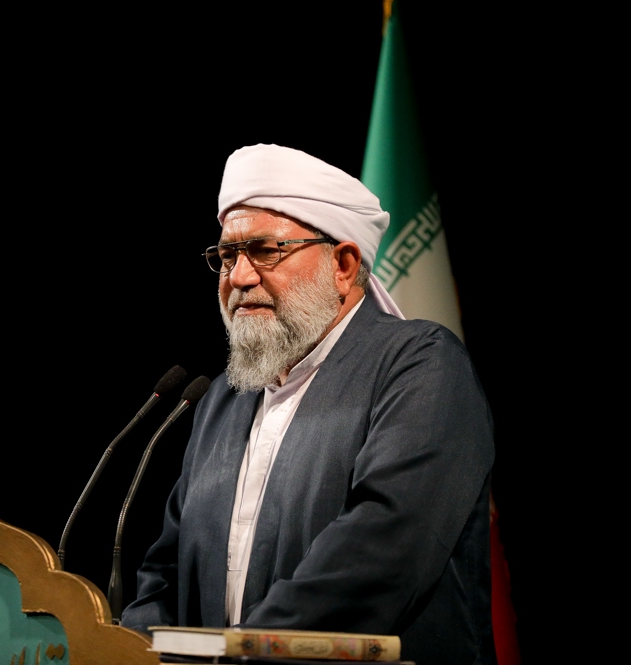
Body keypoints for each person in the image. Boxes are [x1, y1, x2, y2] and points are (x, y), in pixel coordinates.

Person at [121, 144, 495, 664]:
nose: (239, 277)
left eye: (265, 251)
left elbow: (381, 553)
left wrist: (237, 656)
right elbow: (166, 572)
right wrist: (131, 651)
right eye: (227, 257)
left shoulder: (420, 365)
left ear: (343, 264)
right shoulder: (222, 400)